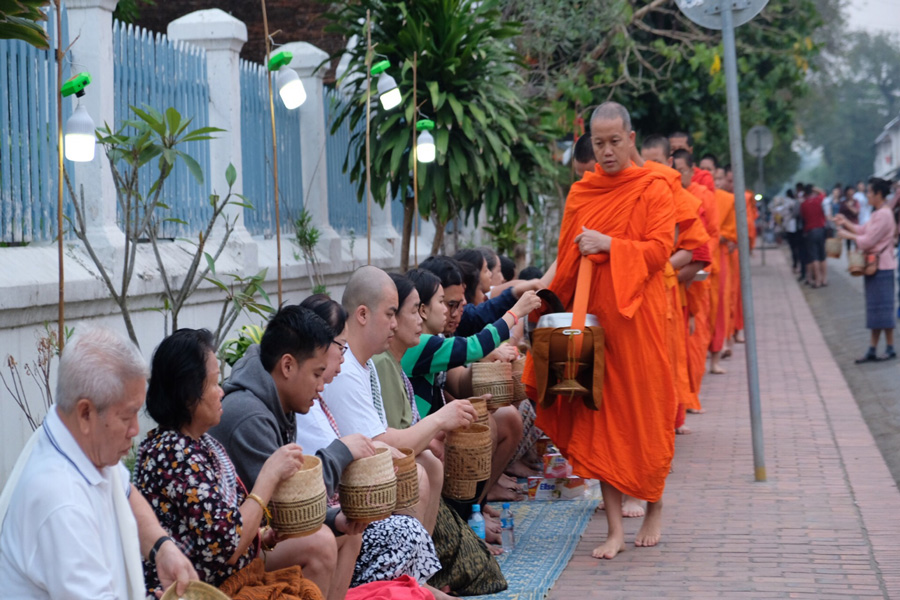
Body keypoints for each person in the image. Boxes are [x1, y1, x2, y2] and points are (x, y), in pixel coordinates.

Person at [524, 101, 676, 559]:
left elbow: (659, 250)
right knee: (601, 418)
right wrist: (542, 303)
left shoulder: (655, 186)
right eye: (599, 143)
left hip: (640, 321)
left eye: (615, 141)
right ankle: (613, 528)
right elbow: (567, 262)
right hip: (595, 323)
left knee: (646, 417)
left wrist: (610, 245)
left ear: (631, 139)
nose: (607, 151)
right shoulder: (582, 194)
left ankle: (653, 504)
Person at [0, 327, 199, 599]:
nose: (135, 429)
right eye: (127, 416)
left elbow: (125, 492)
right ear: (85, 413)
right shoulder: (61, 502)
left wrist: (163, 547)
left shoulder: (82, 444)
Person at [135, 328, 323, 599]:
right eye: (213, 383)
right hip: (198, 591)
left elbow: (223, 526)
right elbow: (226, 547)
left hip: (230, 576)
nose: (221, 392)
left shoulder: (202, 444)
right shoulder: (170, 453)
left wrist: (261, 537)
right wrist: (269, 475)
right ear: (188, 394)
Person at [209, 305, 373, 600]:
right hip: (230, 553)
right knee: (321, 542)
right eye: (316, 374)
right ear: (287, 366)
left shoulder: (278, 401)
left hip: (262, 536)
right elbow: (290, 499)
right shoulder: (250, 416)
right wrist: (341, 452)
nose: (321, 386)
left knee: (349, 535)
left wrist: (335, 517)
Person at [296, 292, 449, 598]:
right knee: (404, 515)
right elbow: (325, 470)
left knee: (424, 466)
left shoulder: (366, 367)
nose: (399, 324)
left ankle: (417, 589)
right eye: (393, 314)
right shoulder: (322, 386)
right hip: (325, 512)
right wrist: (441, 420)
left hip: (335, 509)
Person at [371, 274, 509, 596]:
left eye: (422, 308)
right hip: (390, 480)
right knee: (482, 573)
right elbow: (390, 439)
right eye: (410, 310)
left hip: (420, 465)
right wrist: (518, 309)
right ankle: (421, 580)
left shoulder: (393, 360)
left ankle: (466, 521)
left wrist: (442, 424)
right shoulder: (387, 360)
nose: (452, 312)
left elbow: (458, 381)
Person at [835, 177, 898, 362]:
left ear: (879, 194)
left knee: (882, 309)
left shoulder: (884, 214)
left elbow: (868, 239)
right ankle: (875, 347)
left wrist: (847, 234)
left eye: (870, 192)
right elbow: (863, 230)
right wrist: (845, 222)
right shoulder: (879, 213)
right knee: (877, 309)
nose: (867, 195)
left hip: (881, 266)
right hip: (877, 266)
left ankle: (888, 347)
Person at [801, 183, 828, 288]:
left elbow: (802, 217)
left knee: (814, 257)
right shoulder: (819, 200)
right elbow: (823, 193)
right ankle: (824, 279)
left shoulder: (804, 204)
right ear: (812, 191)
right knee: (822, 256)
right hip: (821, 230)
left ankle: (817, 280)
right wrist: (815, 188)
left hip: (810, 231)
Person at [839, 185, 860, 252]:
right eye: (849, 194)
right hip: (846, 227)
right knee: (848, 245)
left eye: (851, 193)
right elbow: (840, 214)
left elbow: (856, 212)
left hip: (855, 226)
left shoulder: (856, 202)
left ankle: (856, 257)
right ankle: (850, 259)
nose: (850, 195)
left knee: (856, 242)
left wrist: (849, 206)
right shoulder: (843, 203)